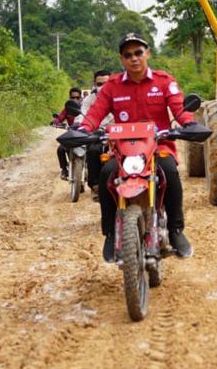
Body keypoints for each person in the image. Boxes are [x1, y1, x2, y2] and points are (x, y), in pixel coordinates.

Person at [78, 33, 196, 262]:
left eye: (138, 53)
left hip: (159, 147)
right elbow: (95, 113)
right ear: (122, 59)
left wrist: (189, 123)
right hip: (123, 151)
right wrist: (84, 128)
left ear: (147, 54)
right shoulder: (111, 85)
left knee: (170, 172)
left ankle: (176, 230)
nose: (134, 58)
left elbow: (180, 109)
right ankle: (111, 234)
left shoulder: (164, 81)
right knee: (105, 174)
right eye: (128, 55)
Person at [77, 69, 112, 196]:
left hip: (117, 133)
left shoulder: (120, 96)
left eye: (106, 84)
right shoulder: (88, 100)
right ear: (94, 84)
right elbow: (84, 115)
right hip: (96, 132)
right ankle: (96, 186)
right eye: (99, 84)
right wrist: (81, 126)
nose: (102, 87)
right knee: (93, 151)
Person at [51, 87, 83, 180]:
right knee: (61, 149)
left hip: (84, 134)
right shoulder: (67, 109)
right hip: (72, 135)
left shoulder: (85, 107)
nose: (75, 100)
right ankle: (64, 170)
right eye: (73, 98)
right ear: (69, 98)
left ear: (81, 98)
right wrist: (56, 121)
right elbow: (60, 117)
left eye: (77, 98)